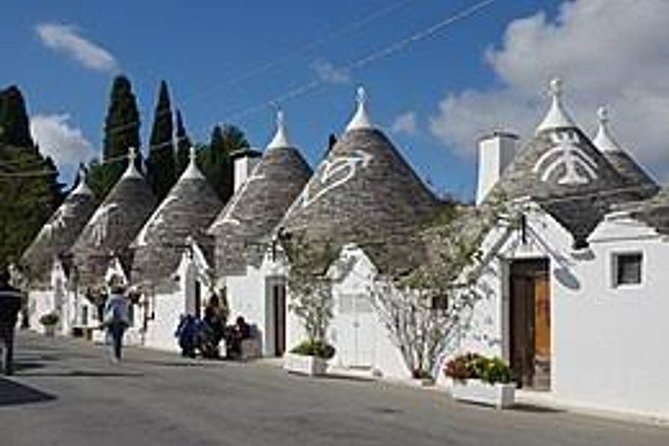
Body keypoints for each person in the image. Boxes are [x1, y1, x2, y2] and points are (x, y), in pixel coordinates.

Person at [102, 276, 130, 363]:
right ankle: (117, 355)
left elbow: (106, 309)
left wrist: (104, 319)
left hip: (112, 320)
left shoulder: (110, 299)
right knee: (119, 339)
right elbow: (126, 310)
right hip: (121, 320)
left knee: (114, 338)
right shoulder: (124, 300)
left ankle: (115, 355)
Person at [0, 268, 22, 375]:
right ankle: (7, 369)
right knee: (8, 346)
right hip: (9, 321)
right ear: (9, 279)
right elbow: (18, 307)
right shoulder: (15, 292)